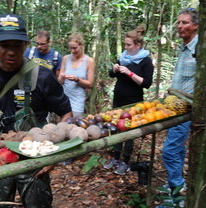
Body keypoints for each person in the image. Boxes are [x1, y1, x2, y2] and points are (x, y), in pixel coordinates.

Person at [0, 14, 72, 208]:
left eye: (17, 45)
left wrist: (56, 153)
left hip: (33, 160)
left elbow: (66, 114)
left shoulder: (42, 77)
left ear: (26, 45)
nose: (11, 52)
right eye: (5, 45)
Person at [158, 8, 199, 208]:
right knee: (177, 149)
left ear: (196, 25)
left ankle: (177, 197)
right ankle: (177, 187)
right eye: (178, 23)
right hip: (174, 106)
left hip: (188, 110)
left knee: (170, 151)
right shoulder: (184, 47)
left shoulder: (200, 48)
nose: (180, 26)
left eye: (184, 23)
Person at [103, 25, 154, 175]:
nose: (125, 47)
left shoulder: (146, 61)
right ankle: (115, 157)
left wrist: (130, 73)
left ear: (137, 45)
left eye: (128, 45)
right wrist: (115, 69)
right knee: (116, 129)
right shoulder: (123, 57)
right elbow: (111, 75)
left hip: (134, 102)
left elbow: (146, 83)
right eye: (125, 44)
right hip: (118, 100)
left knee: (129, 132)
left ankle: (125, 161)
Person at [58, 33, 95, 118]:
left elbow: (90, 84)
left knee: (75, 126)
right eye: (70, 48)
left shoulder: (89, 61)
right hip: (63, 99)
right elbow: (60, 81)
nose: (72, 51)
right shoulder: (65, 58)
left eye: (75, 48)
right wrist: (62, 77)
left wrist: (77, 79)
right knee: (62, 127)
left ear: (81, 45)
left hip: (78, 101)